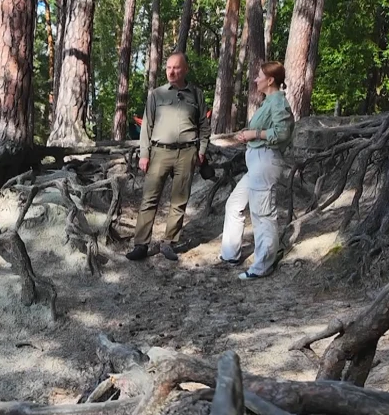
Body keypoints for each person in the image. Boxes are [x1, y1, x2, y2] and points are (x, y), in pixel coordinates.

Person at [126, 52, 211, 262]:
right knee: (149, 198)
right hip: (159, 152)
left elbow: (204, 126)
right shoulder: (156, 95)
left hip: (187, 152)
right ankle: (141, 244)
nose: (171, 72)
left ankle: (168, 242)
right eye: (168, 68)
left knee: (179, 199)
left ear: (185, 70)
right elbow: (146, 127)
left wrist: (201, 151)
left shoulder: (196, 95)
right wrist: (144, 155)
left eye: (176, 68)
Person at [219, 61, 295, 280]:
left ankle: (263, 265)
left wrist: (256, 134)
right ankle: (230, 254)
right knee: (234, 204)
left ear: (270, 80)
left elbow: (281, 133)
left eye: (259, 76)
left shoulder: (278, 101)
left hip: (266, 160)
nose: (255, 79)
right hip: (256, 162)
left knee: (263, 215)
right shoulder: (268, 102)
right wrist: (248, 133)